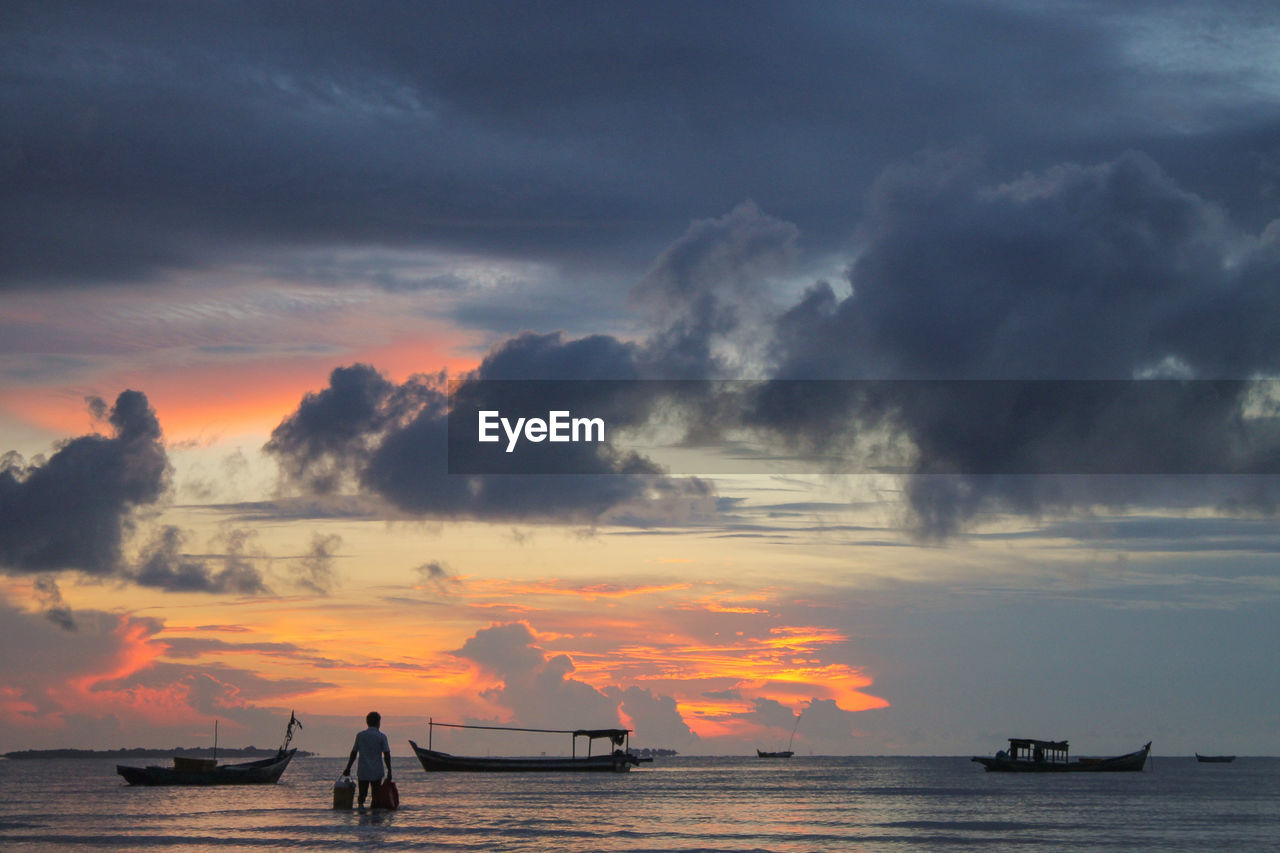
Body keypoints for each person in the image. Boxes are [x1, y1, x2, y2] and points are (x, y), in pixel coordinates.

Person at [343, 711, 392, 808]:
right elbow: (386, 754)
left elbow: (354, 753)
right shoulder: (381, 736)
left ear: (367, 722)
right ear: (378, 722)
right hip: (377, 771)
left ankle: (361, 816)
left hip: (363, 770)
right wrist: (389, 771)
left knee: (362, 795)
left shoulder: (360, 735)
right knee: (376, 796)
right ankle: (375, 819)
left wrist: (348, 767)